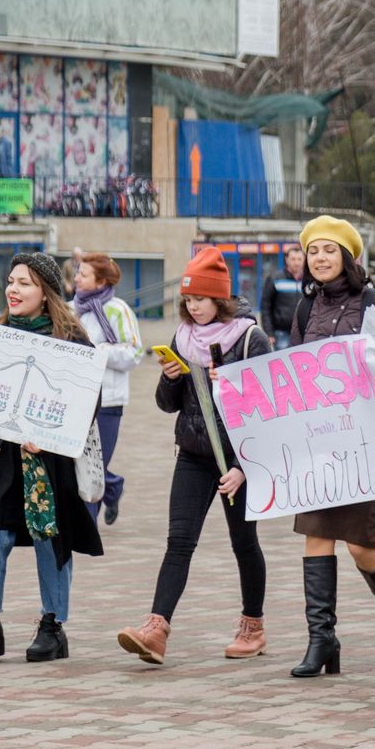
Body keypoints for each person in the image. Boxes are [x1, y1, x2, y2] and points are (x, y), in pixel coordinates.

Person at [115, 247, 271, 664]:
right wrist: (169, 380)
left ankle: (253, 626)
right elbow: (169, 404)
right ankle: (156, 628)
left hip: (240, 460)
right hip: (193, 454)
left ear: (218, 298)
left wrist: (242, 468)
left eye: (200, 299)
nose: (192, 307)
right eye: (187, 300)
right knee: (179, 542)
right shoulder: (183, 338)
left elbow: (268, 410)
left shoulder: (250, 338)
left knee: (244, 543)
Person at [0, 252, 103, 664]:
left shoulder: (71, 341)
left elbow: (86, 401)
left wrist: (54, 437)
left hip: (48, 465)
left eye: (23, 283)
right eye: (10, 281)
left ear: (45, 292)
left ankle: (52, 626)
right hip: (1, 460)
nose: (12, 290)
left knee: (49, 539)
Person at [287, 216, 375, 678]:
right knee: (316, 535)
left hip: (366, 440)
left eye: (329, 250)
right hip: (319, 441)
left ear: (348, 256)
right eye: (313, 250)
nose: (319, 258)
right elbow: (293, 372)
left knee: (362, 544)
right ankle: (322, 640)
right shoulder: (304, 310)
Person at [71, 253, 144, 526]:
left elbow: (134, 353)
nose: (76, 277)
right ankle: (112, 487)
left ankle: (86, 528)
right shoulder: (71, 309)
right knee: (78, 464)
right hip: (75, 399)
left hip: (107, 402)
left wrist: (95, 352)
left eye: (83, 274)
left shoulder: (118, 310)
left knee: (93, 467)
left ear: (101, 280)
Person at [260, 245, 305, 349]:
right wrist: (269, 333)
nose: (297, 262)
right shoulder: (275, 278)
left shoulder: (309, 281)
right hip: (281, 333)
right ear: (287, 260)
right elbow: (266, 307)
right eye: (293, 259)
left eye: (299, 259)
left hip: (303, 332)